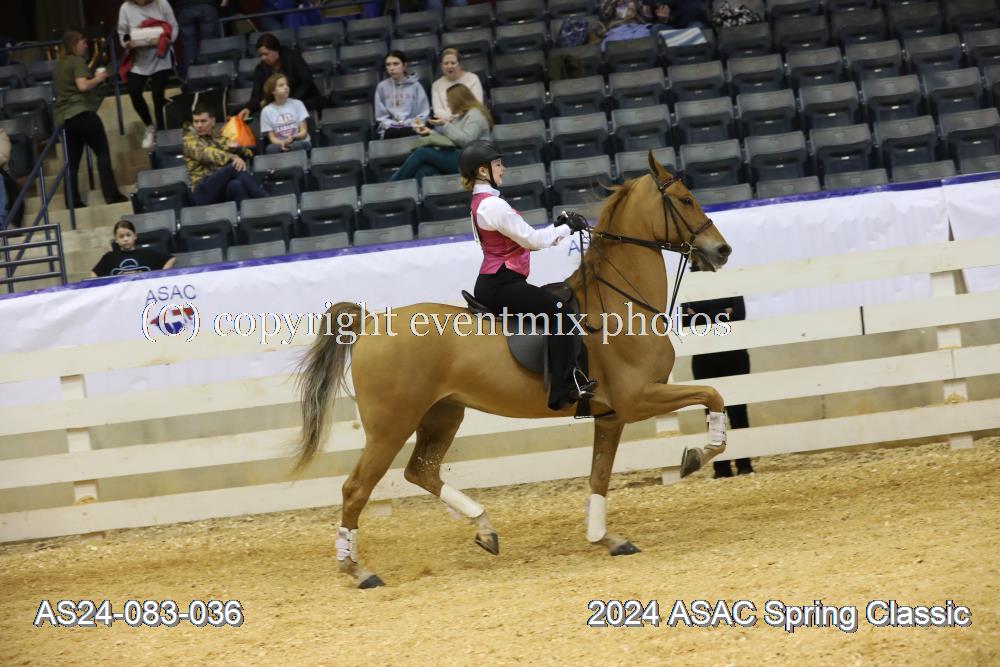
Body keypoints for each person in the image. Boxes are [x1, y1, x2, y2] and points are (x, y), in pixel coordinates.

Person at [460, 140, 598, 411]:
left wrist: (557, 228)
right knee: (559, 313)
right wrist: (568, 228)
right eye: (498, 164)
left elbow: (526, 240)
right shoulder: (493, 206)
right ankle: (562, 390)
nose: (503, 169)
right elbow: (533, 240)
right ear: (483, 171)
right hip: (501, 283)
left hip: (499, 281)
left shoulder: (484, 202)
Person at [682, 265, 754, 477]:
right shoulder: (689, 287)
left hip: (734, 354)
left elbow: (739, 315)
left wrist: (701, 316)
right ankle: (721, 467)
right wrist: (723, 314)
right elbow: (686, 321)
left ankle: (744, 463)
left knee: (739, 411)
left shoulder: (729, 282)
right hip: (705, 357)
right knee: (713, 414)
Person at [52, 29, 129, 209]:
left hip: (65, 118)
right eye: (84, 43)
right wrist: (98, 78)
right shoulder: (77, 61)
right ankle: (111, 195)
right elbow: (83, 86)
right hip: (82, 113)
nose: (86, 46)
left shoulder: (58, 65)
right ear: (74, 44)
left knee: (72, 163)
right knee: (102, 153)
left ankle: (73, 201)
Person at [389, 83, 491, 184]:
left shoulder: (475, 115)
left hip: (473, 162)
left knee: (422, 152)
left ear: (457, 100)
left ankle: (392, 185)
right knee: (424, 170)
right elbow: (450, 140)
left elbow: (467, 141)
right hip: (461, 157)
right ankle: (416, 194)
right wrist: (429, 132)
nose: (448, 105)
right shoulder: (461, 117)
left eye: (449, 101)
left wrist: (444, 124)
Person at [118, 0, 179, 150]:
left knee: (157, 94)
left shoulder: (162, 4)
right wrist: (127, 43)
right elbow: (123, 33)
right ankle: (150, 126)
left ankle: (162, 133)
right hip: (139, 60)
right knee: (134, 91)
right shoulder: (126, 8)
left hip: (161, 57)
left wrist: (168, 40)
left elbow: (174, 26)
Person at [183, 101, 269, 206]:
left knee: (236, 185)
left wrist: (238, 148)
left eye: (203, 121)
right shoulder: (189, 140)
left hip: (220, 189)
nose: (199, 125)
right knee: (234, 166)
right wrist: (232, 156)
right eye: (196, 122)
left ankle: (248, 213)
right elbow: (207, 154)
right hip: (202, 191)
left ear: (213, 121)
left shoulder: (219, 138)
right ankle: (264, 198)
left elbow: (249, 154)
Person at [239, 33, 323, 118]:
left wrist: (291, 102)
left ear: (276, 50)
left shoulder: (293, 57)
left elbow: (307, 82)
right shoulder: (260, 69)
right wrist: (248, 109)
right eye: (261, 55)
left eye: (266, 54)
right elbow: (256, 96)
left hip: (304, 102)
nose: (263, 58)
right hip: (280, 109)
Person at [375, 50, 430, 140]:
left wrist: (407, 124)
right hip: (391, 129)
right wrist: (394, 125)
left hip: (412, 127)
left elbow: (423, 113)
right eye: (388, 65)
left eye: (395, 64)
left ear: (404, 66)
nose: (391, 68)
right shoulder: (382, 87)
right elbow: (381, 117)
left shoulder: (416, 86)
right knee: (391, 133)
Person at [90, 219, 175, 277]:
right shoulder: (109, 257)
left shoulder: (147, 253)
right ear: (116, 240)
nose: (125, 239)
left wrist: (161, 276)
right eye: (121, 236)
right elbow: (94, 273)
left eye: (128, 235)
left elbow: (171, 259)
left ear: (135, 236)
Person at [260, 73, 311, 154]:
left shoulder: (298, 104)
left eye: (287, 85)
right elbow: (272, 138)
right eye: (281, 85)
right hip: (280, 144)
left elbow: (304, 132)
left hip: (298, 141)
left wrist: (293, 137)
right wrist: (282, 143)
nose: (286, 87)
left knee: (301, 145)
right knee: (270, 149)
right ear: (273, 91)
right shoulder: (266, 111)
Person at [431, 49, 483, 121]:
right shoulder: (436, 85)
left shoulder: (472, 78)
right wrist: (452, 118)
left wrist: (462, 118)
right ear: (441, 66)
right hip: (447, 121)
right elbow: (438, 110)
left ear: (459, 64)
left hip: (470, 120)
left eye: (453, 63)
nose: (449, 66)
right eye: (446, 63)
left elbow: (477, 104)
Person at [176, 0, 224, 78]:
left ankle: (192, 77)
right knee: (210, 43)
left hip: (185, 8)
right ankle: (213, 75)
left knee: (189, 45)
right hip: (207, 5)